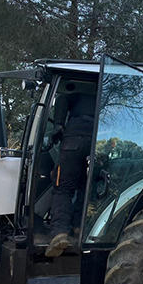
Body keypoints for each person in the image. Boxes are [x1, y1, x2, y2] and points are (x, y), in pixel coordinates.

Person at [45, 85, 96, 257]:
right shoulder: (103, 99)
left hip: (72, 142)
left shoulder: (78, 94)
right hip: (95, 143)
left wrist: (58, 125)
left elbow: (61, 99)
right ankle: (78, 227)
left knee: (63, 188)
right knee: (85, 187)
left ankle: (59, 232)